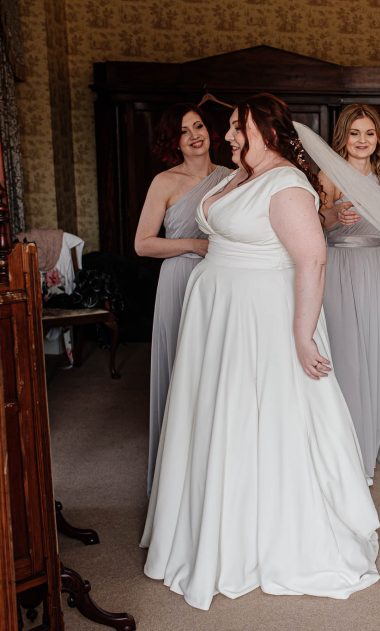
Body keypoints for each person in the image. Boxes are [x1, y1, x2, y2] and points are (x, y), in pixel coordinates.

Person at [141, 93, 380, 609]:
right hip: (219, 317)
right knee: (218, 417)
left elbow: (313, 261)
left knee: (263, 419)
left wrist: (302, 334)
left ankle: (268, 538)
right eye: (228, 127)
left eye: (235, 127)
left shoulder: (287, 184)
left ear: (264, 132)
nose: (226, 136)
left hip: (262, 319)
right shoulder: (239, 175)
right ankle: (212, 526)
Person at [134, 103, 230, 495]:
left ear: (212, 131)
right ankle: (172, 478)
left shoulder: (231, 178)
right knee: (180, 369)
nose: (195, 135)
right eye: (184, 130)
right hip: (179, 280)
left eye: (199, 126)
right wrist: (192, 244)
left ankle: (211, 468)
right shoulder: (165, 182)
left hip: (222, 281)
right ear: (173, 141)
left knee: (216, 370)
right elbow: (142, 245)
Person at [318, 104, 380, 480]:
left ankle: (365, 457)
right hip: (339, 271)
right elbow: (312, 224)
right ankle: (344, 462)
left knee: (377, 362)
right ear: (344, 136)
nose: (362, 141)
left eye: (369, 133)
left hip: (378, 274)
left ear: (378, 138)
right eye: (355, 133)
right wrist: (334, 216)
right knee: (346, 366)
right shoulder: (329, 174)